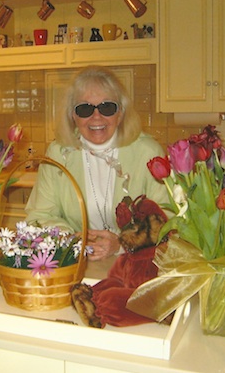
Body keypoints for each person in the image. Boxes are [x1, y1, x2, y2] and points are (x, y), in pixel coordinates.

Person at [24, 65, 169, 261]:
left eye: (107, 107)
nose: (96, 117)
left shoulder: (148, 153)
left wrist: (122, 243)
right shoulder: (58, 153)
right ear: (72, 115)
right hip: (78, 263)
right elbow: (38, 216)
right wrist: (74, 239)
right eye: (84, 109)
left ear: (121, 113)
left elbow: (168, 217)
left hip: (137, 263)